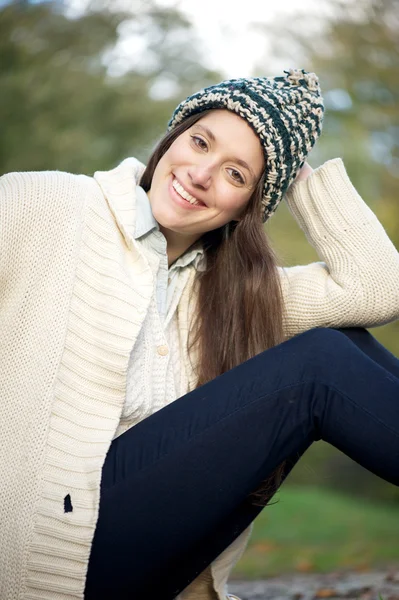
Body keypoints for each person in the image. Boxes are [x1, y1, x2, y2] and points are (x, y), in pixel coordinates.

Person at [0, 68, 398, 600]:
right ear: (172, 137)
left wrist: (293, 173)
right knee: (318, 364)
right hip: (41, 553)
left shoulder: (230, 294)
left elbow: (376, 289)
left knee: (342, 343)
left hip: (143, 560)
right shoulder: (47, 206)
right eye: (200, 141)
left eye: (236, 174)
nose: (201, 173)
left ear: (250, 206)